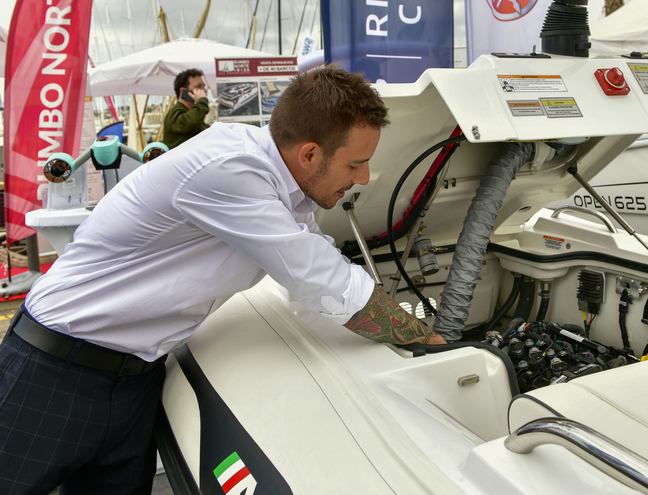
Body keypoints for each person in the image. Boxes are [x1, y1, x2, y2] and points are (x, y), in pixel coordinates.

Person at [0, 65, 446, 494]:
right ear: (310, 153)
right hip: (55, 367)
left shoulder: (288, 191)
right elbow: (327, 281)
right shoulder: (232, 168)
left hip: (136, 377)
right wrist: (440, 347)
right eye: (356, 165)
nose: (364, 178)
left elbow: (318, 271)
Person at [162, 68, 210, 149]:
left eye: (203, 86)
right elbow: (189, 123)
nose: (204, 90)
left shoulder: (191, 112)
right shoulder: (175, 113)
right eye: (199, 87)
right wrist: (202, 101)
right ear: (183, 91)